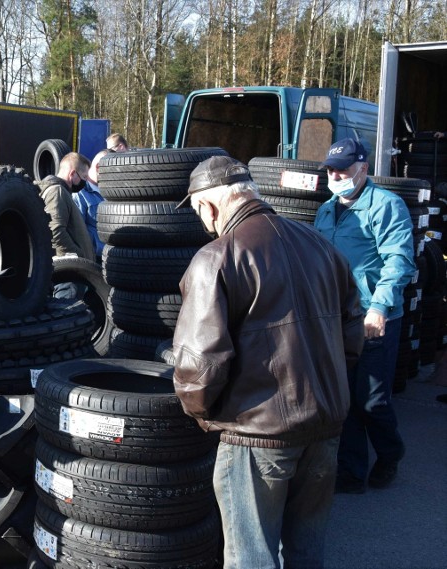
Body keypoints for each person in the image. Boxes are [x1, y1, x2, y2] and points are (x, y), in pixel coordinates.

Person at [171, 155, 364, 569]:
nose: (204, 225)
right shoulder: (320, 245)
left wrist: (205, 415)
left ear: (208, 206)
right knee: (307, 552)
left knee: (250, 558)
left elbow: (199, 368)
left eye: (199, 214)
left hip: (256, 437)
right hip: (325, 426)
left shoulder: (215, 257)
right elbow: (352, 334)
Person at [314, 138, 416, 494]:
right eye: (330, 169)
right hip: (339, 319)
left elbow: (399, 260)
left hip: (375, 318)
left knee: (371, 400)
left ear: (363, 169)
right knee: (344, 396)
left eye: (343, 169)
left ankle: (391, 452)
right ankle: (352, 472)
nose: (336, 175)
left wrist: (379, 307)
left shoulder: (387, 205)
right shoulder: (326, 210)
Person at [39, 152, 95, 299]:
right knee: (66, 316)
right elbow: (54, 230)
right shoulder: (57, 191)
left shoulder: (63, 192)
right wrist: (77, 256)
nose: (85, 182)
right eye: (83, 177)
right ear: (72, 174)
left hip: (73, 271)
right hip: (68, 274)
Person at [72, 148, 107, 262]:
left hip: (116, 255)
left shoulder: (113, 192)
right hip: (94, 259)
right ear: (98, 167)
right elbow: (77, 232)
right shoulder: (80, 193)